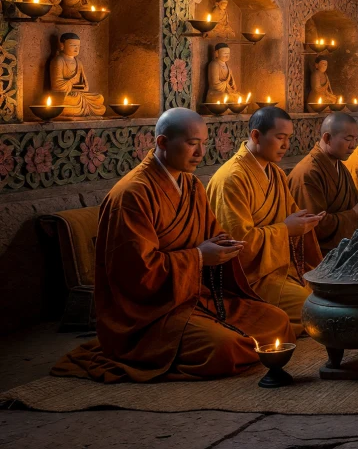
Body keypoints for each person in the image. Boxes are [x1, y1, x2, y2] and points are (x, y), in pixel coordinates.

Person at [51, 109, 292, 382]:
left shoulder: (190, 185)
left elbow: (212, 235)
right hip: (151, 314)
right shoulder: (132, 194)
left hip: (194, 295)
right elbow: (137, 274)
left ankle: (222, 338)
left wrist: (228, 246)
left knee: (277, 321)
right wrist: (199, 257)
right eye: (192, 144)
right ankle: (164, 349)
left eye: (204, 143)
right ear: (163, 143)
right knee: (224, 346)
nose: (201, 153)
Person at [206, 106, 322, 334]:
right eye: (280, 138)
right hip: (251, 280)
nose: (286, 146)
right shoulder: (232, 179)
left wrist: (305, 223)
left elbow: (291, 218)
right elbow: (237, 245)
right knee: (317, 310)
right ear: (256, 135)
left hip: (281, 270)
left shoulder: (276, 173)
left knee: (330, 296)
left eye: (288, 138)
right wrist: (286, 230)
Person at [291, 112, 358, 254]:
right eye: (348, 139)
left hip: (342, 248)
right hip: (316, 256)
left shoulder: (340, 167)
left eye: (356, 139)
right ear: (327, 138)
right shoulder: (308, 172)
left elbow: (354, 204)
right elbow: (313, 226)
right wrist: (354, 214)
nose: (353, 146)